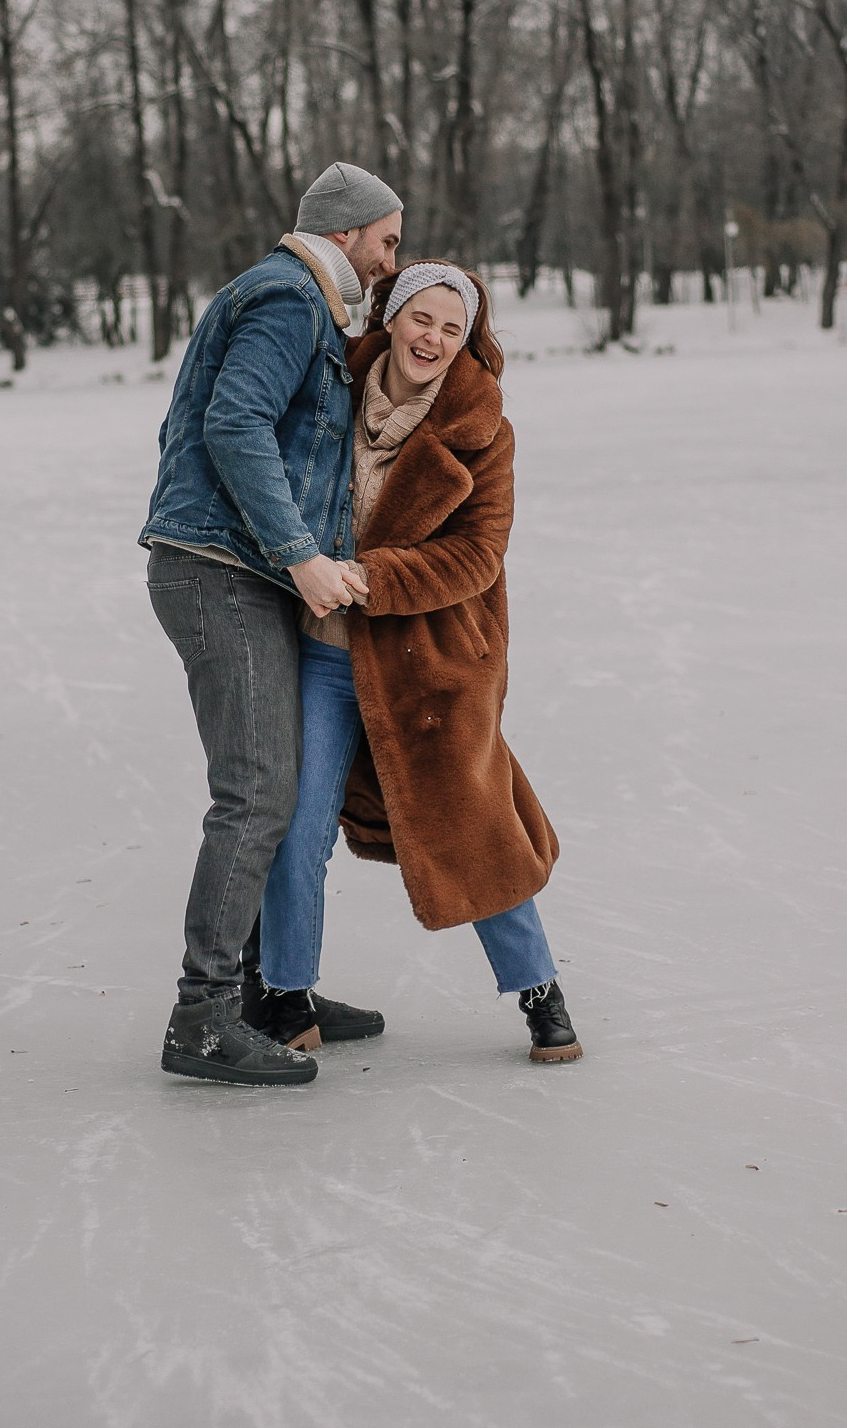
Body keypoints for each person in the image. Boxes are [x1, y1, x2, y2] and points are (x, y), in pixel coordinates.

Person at [246, 261, 583, 1063]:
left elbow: (478, 554)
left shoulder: (483, 430)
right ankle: (289, 994)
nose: (433, 338)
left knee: (472, 820)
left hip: (431, 659)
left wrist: (373, 578)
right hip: (324, 655)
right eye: (422, 319)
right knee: (296, 828)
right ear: (391, 317)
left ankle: (541, 992)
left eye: (452, 328)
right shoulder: (329, 397)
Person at [140, 162, 403, 1087]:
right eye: (387, 241)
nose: (391, 261)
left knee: (277, 793)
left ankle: (262, 990)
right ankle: (204, 1017)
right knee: (254, 795)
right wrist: (300, 552)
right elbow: (234, 425)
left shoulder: (305, 302)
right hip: (221, 573)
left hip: (240, 571)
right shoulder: (290, 298)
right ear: (346, 233)